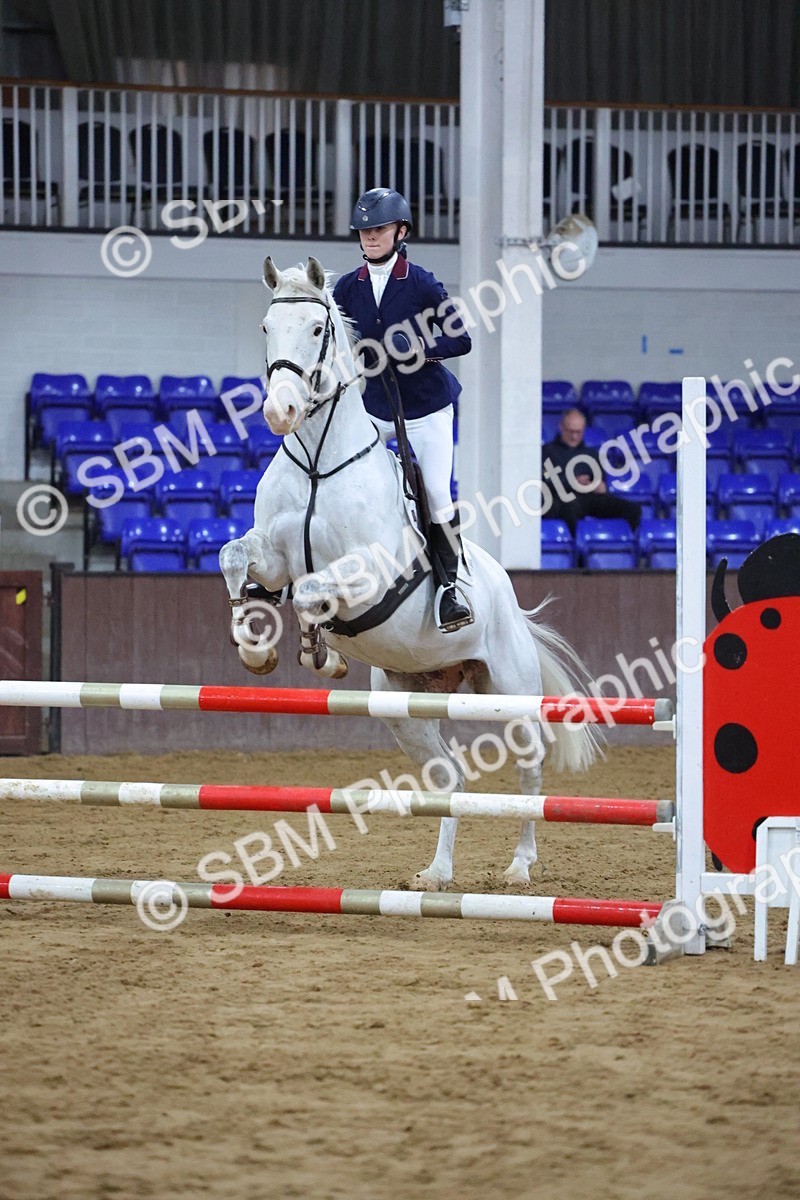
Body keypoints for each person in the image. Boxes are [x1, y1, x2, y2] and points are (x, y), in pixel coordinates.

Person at [333, 187, 473, 632]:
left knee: (437, 492)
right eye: (364, 231)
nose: (371, 236)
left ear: (401, 231)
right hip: (376, 408)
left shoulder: (421, 282)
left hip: (426, 408)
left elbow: (461, 339)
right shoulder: (346, 287)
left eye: (379, 229)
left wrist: (419, 348)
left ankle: (449, 589)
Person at [542, 408, 641, 535]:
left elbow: (601, 480)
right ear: (561, 427)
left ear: (584, 430)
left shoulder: (591, 453)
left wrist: (600, 486)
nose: (574, 436)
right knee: (570, 505)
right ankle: (577, 544)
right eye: (570, 431)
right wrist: (573, 482)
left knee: (633, 509)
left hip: (589, 497)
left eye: (578, 432)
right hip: (563, 497)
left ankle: (618, 541)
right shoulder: (547, 451)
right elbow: (548, 481)